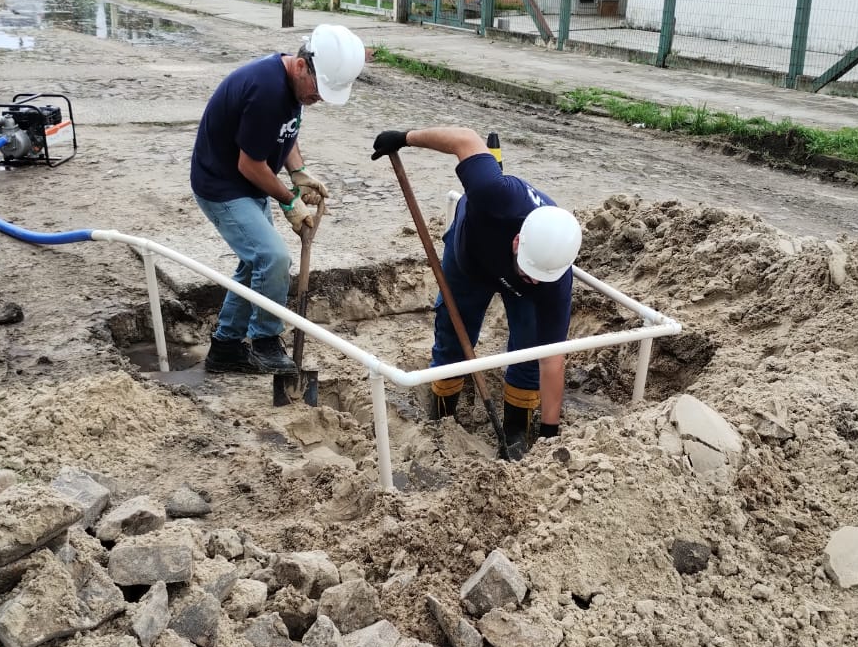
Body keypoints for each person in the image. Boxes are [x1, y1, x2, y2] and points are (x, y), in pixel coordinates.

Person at [370, 126, 583, 459]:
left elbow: (552, 357)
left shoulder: (553, 277)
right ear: (518, 242)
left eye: (541, 278)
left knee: (528, 349)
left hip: (511, 271)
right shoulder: (494, 195)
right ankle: (442, 417)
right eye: (530, 273)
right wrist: (405, 137)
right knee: (453, 333)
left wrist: (550, 436)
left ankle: (517, 430)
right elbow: (465, 140)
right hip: (470, 257)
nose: (534, 281)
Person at [192, 23, 366, 374]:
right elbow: (250, 164)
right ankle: (266, 342)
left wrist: (298, 172)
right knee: (273, 257)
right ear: (302, 66)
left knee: (256, 263)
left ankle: (225, 348)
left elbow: (285, 134)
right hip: (223, 185)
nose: (317, 100)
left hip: (248, 183)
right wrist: (289, 200)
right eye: (317, 92)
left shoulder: (290, 88)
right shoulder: (266, 91)